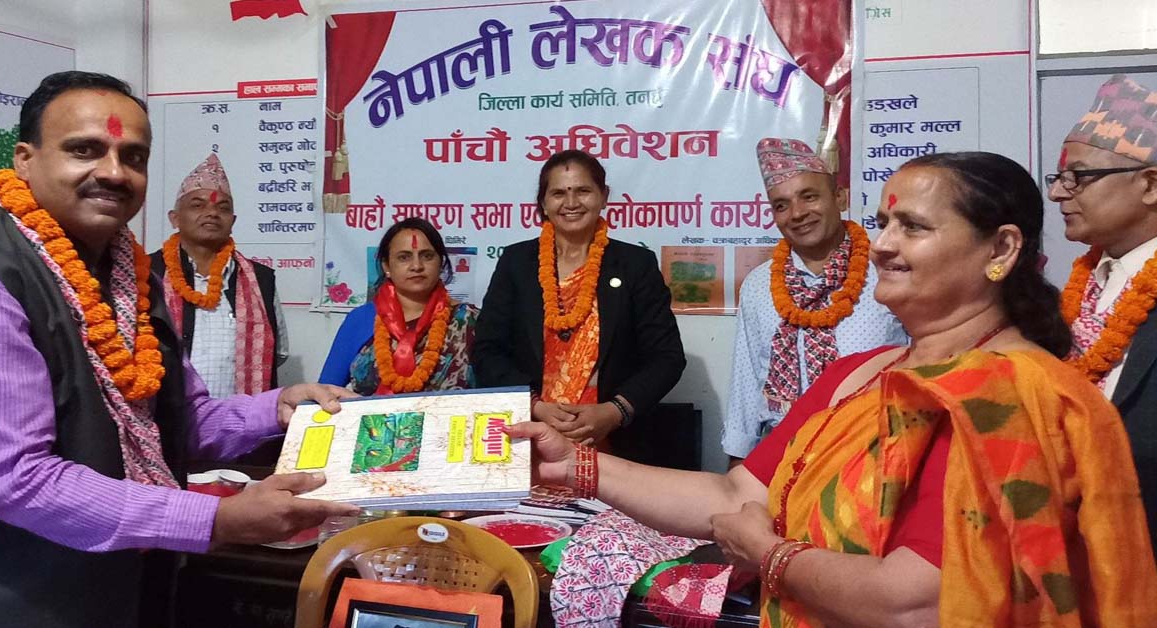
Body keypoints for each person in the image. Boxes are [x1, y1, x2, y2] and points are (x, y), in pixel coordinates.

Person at [513, 152, 1157, 626]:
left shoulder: (1011, 399)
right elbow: (733, 493)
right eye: (882, 223)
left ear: (1002, 248)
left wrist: (770, 555)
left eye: (913, 228)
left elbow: (915, 604)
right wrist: (574, 466)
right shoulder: (861, 371)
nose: (882, 245)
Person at [0, 71, 359, 628]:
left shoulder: (129, 274)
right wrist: (217, 520)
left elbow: (175, 420)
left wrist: (278, 408)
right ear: (25, 160)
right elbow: (19, 479)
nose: (114, 172)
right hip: (26, 598)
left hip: (135, 584)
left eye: (134, 156)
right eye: (84, 150)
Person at [474, 149, 686, 454]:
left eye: (583, 191)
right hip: (528, 433)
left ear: (603, 196)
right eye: (558, 193)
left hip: (612, 440)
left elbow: (667, 358)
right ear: (543, 202)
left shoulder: (635, 265)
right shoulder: (516, 262)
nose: (571, 203)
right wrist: (534, 405)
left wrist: (614, 411)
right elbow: (487, 349)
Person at [724, 138, 906, 464]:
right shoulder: (759, 285)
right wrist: (738, 461)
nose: (797, 214)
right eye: (781, 205)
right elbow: (747, 380)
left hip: (873, 453)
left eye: (809, 197)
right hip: (781, 453)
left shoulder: (889, 272)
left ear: (840, 197)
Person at [1051, 73, 1157, 554]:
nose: (1058, 193)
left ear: (1150, 185)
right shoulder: (1081, 287)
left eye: (1080, 177)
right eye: (1059, 177)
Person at [151, 152, 289, 397]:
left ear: (232, 221)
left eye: (222, 208)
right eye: (197, 205)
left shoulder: (260, 279)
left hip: (239, 415)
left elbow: (277, 353)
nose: (212, 213)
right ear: (175, 218)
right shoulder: (148, 272)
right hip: (166, 414)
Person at [319, 217, 478, 394]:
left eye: (427, 256)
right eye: (404, 257)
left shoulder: (470, 320)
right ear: (386, 266)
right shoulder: (361, 319)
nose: (416, 266)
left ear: (440, 262)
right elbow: (326, 391)